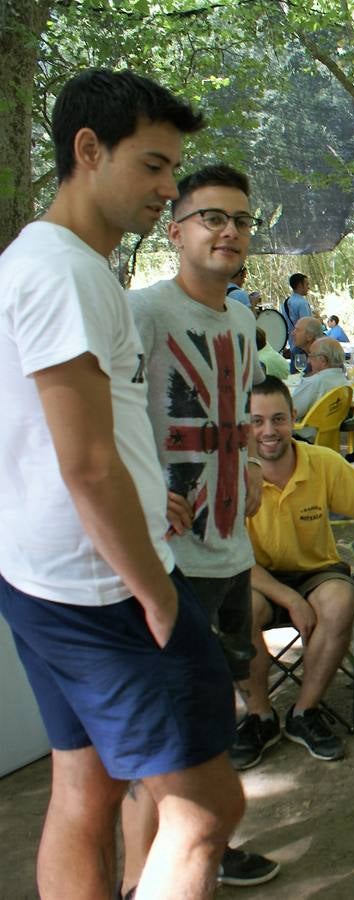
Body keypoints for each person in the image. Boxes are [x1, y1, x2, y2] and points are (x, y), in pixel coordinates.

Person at [0, 68, 243, 900]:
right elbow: (87, 462)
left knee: (85, 788)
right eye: (153, 165)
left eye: (174, 168)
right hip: (108, 592)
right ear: (87, 149)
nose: (168, 187)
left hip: (46, 580)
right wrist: (159, 596)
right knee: (206, 812)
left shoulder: (40, 262)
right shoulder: (66, 273)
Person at [124, 163, 279, 891]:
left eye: (241, 221)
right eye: (212, 217)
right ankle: (140, 875)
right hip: (167, 558)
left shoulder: (244, 317)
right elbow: (103, 422)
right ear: (175, 228)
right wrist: (146, 493)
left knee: (215, 711)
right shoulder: (143, 313)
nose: (229, 231)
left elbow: (240, 413)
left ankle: (206, 845)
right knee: (165, 732)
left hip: (229, 549)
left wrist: (246, 465)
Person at [239, 377, 354, 767]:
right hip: (254, 575)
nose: (269, 431)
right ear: (244, 425)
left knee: (341, 600)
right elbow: (230, 559)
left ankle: (304, 712)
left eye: (278, 419)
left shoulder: (320, 463)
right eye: (257, 421)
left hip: (315, 571)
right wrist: (289, 599)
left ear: (294, 418)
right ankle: (260, 716)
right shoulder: (235, 474)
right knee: (237, 610)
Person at [291, 338, 348, 420]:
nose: (308, 361)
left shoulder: (314, 382)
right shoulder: (343, 381)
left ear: (323, 360)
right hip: (332, 431)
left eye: (311, 356)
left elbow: (290, 411)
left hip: (306, 431)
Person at [282, 273, 312, 371]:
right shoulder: (302, 303)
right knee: (305, 374)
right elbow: (307, 326)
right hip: (304, 346)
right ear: (300, 285)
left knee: (295, 376)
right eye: (307, 284)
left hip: (292, 344)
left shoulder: (285, 303)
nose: (309, 287)